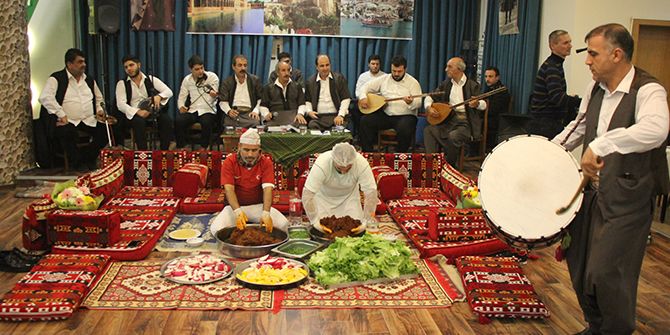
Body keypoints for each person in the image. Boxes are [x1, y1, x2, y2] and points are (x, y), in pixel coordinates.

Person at [553, 23, 669, 335]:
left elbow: (657, 130)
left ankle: (616, 330)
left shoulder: (648, 90)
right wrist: (544, 153)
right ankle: (597, 326)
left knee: (607, 272)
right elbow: (579, 127)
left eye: (593, 53)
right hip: (590, 195)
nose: (587, 60)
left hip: (628, 199)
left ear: (616, 54)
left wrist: (601, 145)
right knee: (579, 267)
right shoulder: (595, 90)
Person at [38, 48, 107, 170]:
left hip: (88, 120)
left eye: (84, 62)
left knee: (106, 130)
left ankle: (87, 158)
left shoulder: (89, 80)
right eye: (80, 62)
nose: (84, 65)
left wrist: (99, 110)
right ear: (69, 64)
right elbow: (45, 97)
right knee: (68, 133)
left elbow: (99, 98)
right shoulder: (56, 78)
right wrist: (61, 114)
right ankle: (76, 163)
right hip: (67, 121)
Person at [210, 129, 288, 235]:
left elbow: (268, 189)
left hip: (258, 206)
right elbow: (229, 190)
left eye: (254, 150)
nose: (250, 154)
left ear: (259, 150)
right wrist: (237, 212)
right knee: (216, 229)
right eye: (246, 150)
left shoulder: (266, 162)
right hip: (234, 208)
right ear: (239, 147)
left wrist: (266, 213)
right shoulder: (229, 162)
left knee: (283, 224)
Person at [423, 57, 486, 166]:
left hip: (466, 123)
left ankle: (449, 165)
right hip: (449, 120)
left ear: (459, 69)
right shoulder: (446, 84)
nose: (446, 69)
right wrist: (429, 107)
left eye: (449, 67)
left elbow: (484, 104)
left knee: (453, 136)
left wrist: (477, 104)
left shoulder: (473, 85)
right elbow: (430, 96)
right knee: (429, 130)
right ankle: (432, 164)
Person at [302, 143, 377, 233]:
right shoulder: (322, 163)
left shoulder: (361, 163)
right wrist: (314, 220)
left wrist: (367, 220)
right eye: (339, 169)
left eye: (348, 168)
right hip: (324, 199)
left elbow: (371, 193)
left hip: (350, 198)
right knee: (325, 231)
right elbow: (308, 194)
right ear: (333, 160)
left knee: (354, 231)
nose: (343, 171)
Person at [358, 55, 422, 152]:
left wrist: (411, 102)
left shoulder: (413, 82)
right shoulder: (384, 78)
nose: (396, 74)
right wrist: (363, 97)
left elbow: (418, 103)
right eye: (393, 71)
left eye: (399, 71)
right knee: (365, 121)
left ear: (405, 69)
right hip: (386, 115)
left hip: (405, 116)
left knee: (405, 127)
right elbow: (365, 87)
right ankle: (369, 153)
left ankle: (400, 155)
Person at [529, 29, 582, 139]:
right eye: (565, 43)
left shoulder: (555, 65)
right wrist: (582, 101)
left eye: (570, 42)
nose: (570, 46)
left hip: (546, 123)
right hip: (545, 125)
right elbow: (558, 98)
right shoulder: (552, 67)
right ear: (552, 46)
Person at [115, 55, 174, 150]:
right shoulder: (122, 84)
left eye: (131, 65)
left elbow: (169, 91)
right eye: (126, 67)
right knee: (139, 122)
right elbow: (121, 105)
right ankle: (143, 154)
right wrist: (138, 112)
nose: (129, 69)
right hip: (135, 114)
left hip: (151, 111)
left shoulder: (150, 79)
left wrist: (159, 96)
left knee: (166, 120)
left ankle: (164, 151)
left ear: (139, 65)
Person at [175, 55, 219, 149]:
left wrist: (214, 94)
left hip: (208, 110)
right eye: (197, 69)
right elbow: (182, 96)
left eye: (202, 68)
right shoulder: (187, 80)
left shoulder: (212, 77)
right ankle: (181, 147)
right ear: (190, 69)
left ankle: (204, 147)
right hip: (193, 110)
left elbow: (215, 92)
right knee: (179, 121)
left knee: (206, 122)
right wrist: (181, 107)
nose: (201, 71)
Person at [300, 54, 351, 131]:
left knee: (340, 128)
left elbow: (346, 98)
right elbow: (308, 100)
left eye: (327, 65)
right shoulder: (310, 82)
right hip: (319, 117)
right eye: (322, 66)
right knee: (312, 125)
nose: (325, 68)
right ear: (316, 67)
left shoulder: (339, 79)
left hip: (336, 116)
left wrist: (341, 115)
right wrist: (309, 111)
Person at [218, 54, 263, 129]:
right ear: (233, 67)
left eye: (245, 65)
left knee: (255, 123)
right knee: (228, 124)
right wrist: (229, 111)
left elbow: (261, 99)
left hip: (250, 113)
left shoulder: (254, 80)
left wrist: (256, 111)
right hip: (234, 113)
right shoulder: (227, 82)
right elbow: (222, 101)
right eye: (240, 65)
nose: (243, 68)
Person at [259, 61, 306, 125]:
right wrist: (266, 114)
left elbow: (302, 103)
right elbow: (263, 105)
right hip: (275, 117)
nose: (287, 73)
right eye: (283, 70)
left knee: (301, 124)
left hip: (293, 117)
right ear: (277, 73)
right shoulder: (268, 88)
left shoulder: (297, 86)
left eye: (288, 70)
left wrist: (300, 114)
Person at [352, 55, 385, 139]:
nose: (375, 66)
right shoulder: (363, 76)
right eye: (373, 64)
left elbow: (385, 93)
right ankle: (360, 136)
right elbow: (358, 92)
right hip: (364, 102)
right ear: (368, 64)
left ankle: (373, 138)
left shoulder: (385, 76)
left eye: (377, 64)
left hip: (378, 105)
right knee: (354, 109)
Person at [483, 66, 511, 150]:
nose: (487, 79)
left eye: (490, 76)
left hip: (496, 120)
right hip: (487, 117)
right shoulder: (487, 90)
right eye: (486, 76)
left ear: (497, 77)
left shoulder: (502, 91)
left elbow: (494, 109)